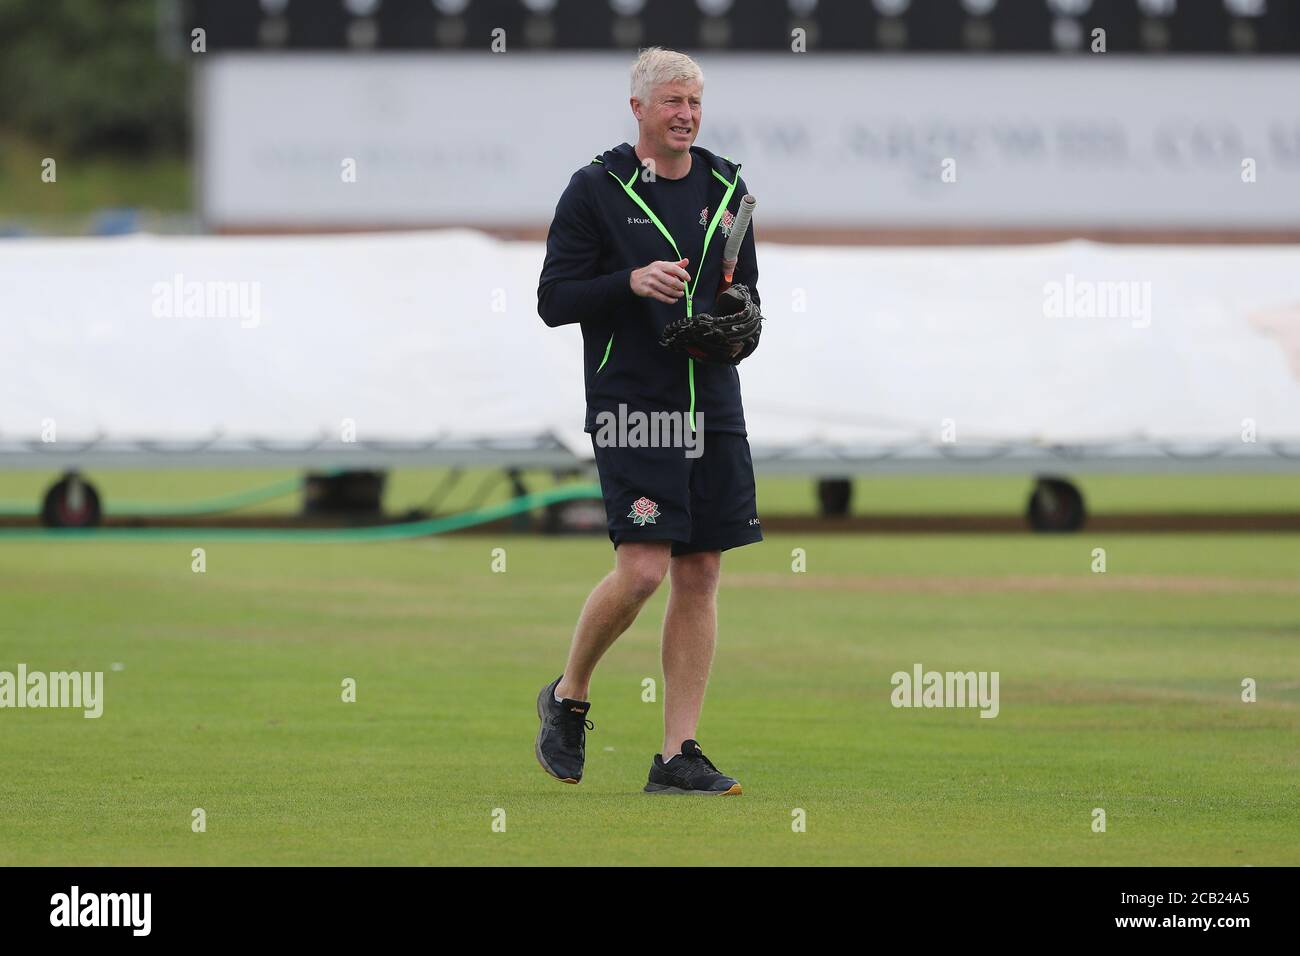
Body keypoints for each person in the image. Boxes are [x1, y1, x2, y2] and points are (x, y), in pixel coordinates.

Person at [533, 47, 763, 796]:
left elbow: (744, 291)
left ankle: (677, 755)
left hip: (713, 404)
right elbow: (554, 300)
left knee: (700, 572)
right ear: (639, 109)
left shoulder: (728, 187)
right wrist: (629, 282)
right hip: (634, 402)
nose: (687, 115)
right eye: (673, 102)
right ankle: (568, 696)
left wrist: (738, 324)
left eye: (695, 101)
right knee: (642, 570)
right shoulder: (594, 190)